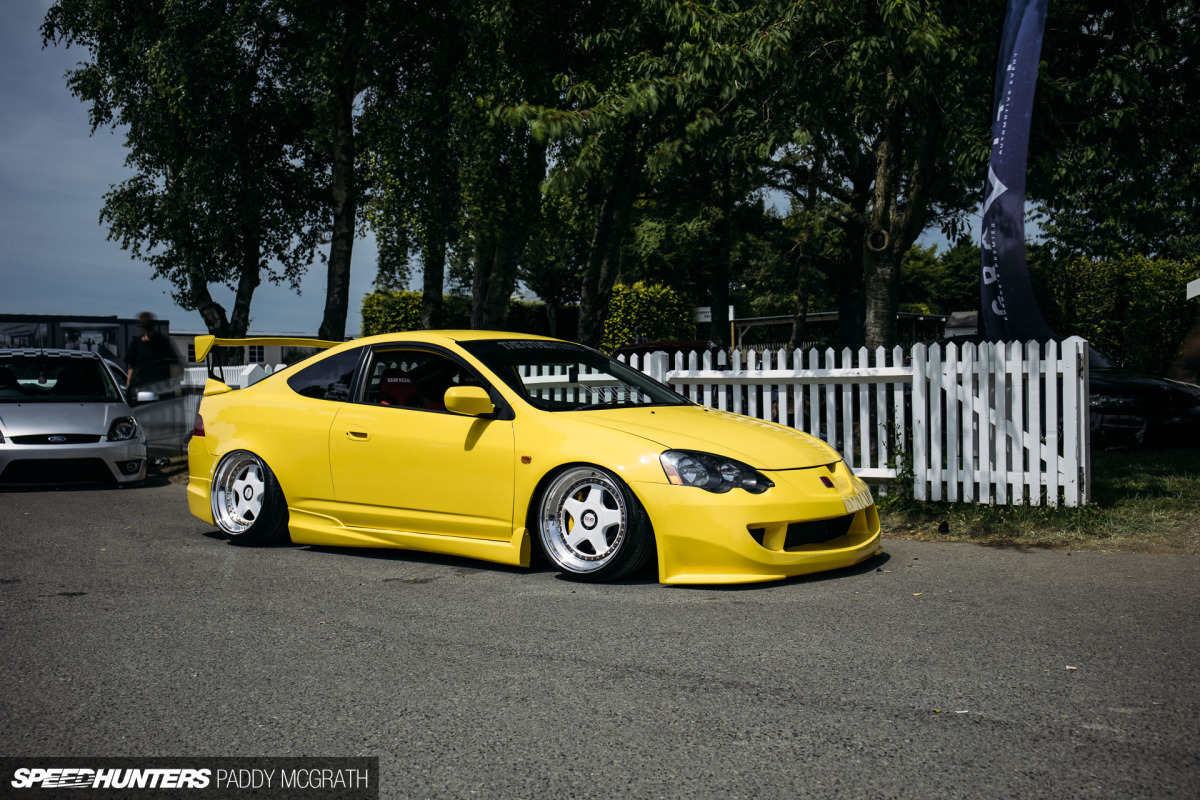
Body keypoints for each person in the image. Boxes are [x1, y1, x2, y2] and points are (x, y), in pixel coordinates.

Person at [125, 312, 178, 395]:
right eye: (144, 326)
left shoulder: (163, 342)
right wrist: (128, 383)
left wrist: (173, 383)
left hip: (161, 390)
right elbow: (131, 367)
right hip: (141, 389)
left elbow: (175, 363)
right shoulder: (136, 344)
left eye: (148, 326)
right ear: (141, 326)